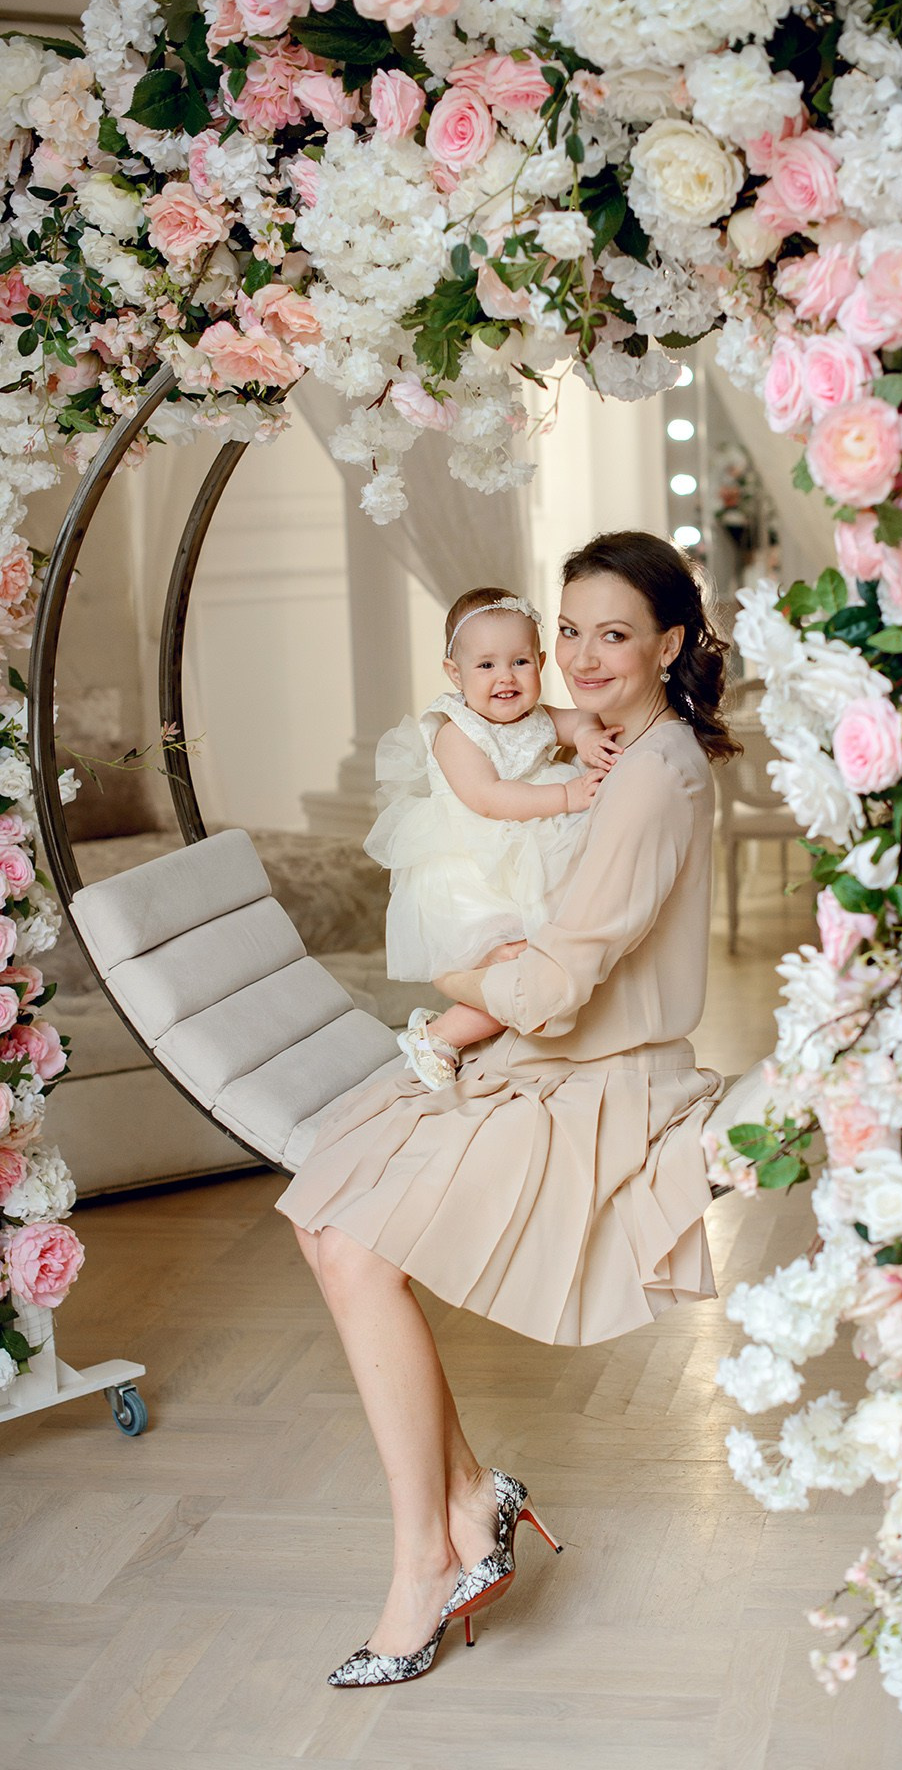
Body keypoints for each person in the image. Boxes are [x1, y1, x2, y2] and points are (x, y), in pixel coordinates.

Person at [274, 530, 740, 1689]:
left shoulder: (652, 774)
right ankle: (471, 1502)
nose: (578, 657)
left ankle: (423, 1560)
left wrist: (444, 987)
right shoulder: (613, 744)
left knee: (350, 1237)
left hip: (590, 1078)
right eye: (568, 630)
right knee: (322, 1215)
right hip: (538, 1053)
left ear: (669, 642)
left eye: (612, 634)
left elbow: (551, 979)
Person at [366, 586, 621, 1090]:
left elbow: (578, 721)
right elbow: (488, 798)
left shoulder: (539, 716)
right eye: (485, 666)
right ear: (455, 674)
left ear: (542, 663)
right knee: (522, 972)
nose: (505, 676)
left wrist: (589, 736)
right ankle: (440, 1035)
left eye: (520, 661)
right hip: (473, 869)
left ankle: (496, 1041)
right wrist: (567, 796)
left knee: (548, 967)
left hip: (528, 856)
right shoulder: (455, 730)